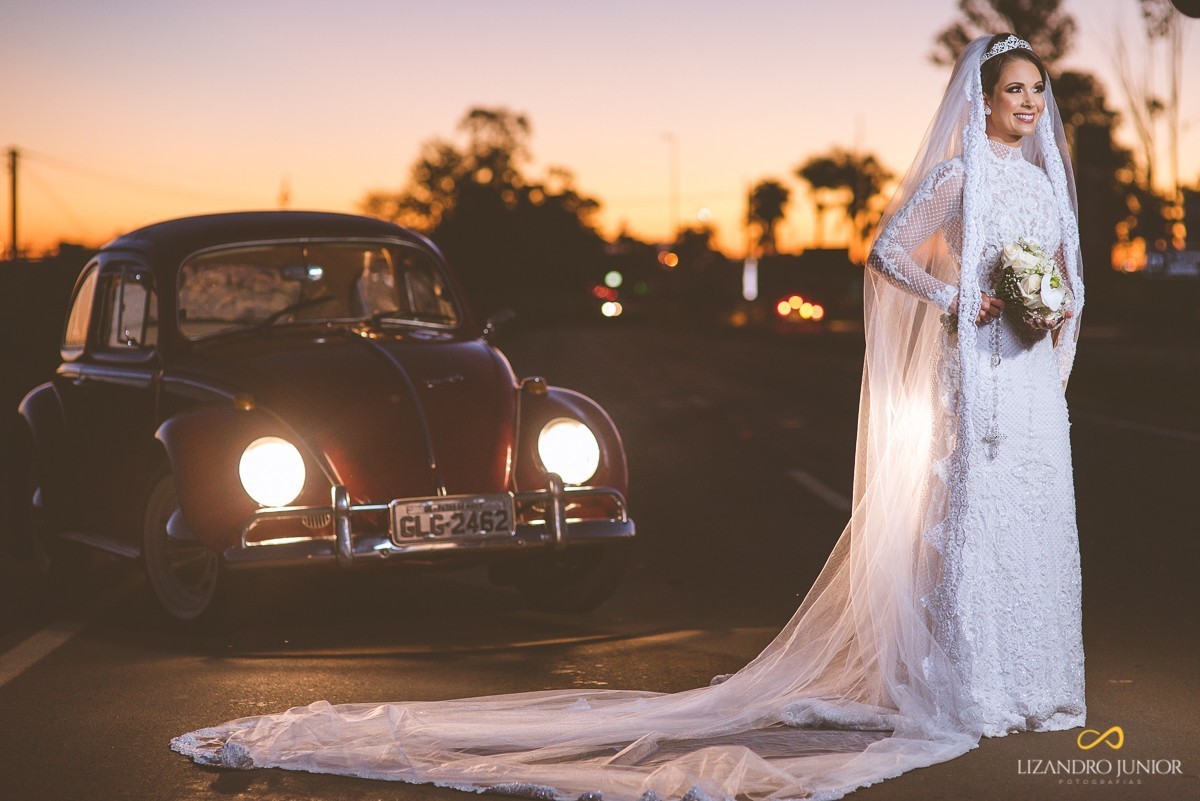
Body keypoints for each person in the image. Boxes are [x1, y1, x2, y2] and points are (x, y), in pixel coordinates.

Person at [171, 33, 1085, 800]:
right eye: (1013, 90)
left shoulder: (1044, 182)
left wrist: (1053, 309)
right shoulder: (961, 174)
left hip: (1032, 375)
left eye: (1037, 91)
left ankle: (1036, 680)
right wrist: (962, 299)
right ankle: (972, 686)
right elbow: (889, 251)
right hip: (978, 369)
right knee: (974, 515)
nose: (1028, 105)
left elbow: (1067, 272)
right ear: (983, 94)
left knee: (1034, 515)